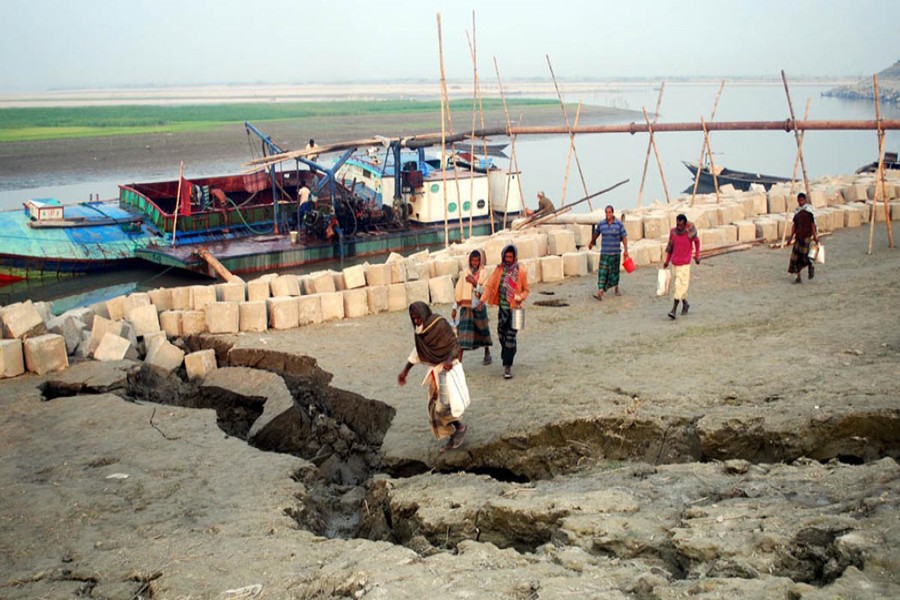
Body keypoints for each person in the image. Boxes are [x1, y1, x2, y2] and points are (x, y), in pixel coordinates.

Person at [397, 302, 469, 451]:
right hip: (436, 372)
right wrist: (405, 371)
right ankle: (453, 432)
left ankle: (460, 427)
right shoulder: (420, 332)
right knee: (433, 407)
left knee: (442, 407)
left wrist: (449, 359)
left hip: (448, 369)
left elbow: (456, 345)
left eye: (418, 317)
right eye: (413, 318)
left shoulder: (439, 324)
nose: (416, 321)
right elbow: (417, 352)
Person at [482, 244, 529, 379]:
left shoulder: (521, 271)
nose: (508, 259)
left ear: (515, 257)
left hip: (516, 310)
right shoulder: (499, 270)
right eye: (506, 256)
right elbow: (490, 285)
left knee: (510, 337)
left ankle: (507, 368)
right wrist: (482, 300)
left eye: (511, 256)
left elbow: (526, 290)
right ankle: (510, 352)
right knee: (501, 335)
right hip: (503, 309)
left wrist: (520, 297)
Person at [454, 249, 493, 365]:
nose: (474, 263)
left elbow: (486, 291)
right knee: (463, 333)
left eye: (477, 261)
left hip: (479, 306)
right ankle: (459, 361)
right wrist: (454, 307)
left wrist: (474, 283)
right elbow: (458, 290)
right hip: (466, 307)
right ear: (469, 261)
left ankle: (487, 353)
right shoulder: (465, 273)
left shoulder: (484, 274)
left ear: (480, 261)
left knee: (483, 330)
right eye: (472, 261)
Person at [663, 214, 701, 319]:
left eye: (680, 225)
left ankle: (674, 309)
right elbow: (670, 247)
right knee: (680, 286)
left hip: (684, 264)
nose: (678, 227)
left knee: (678, 286)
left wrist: (697, 256)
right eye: (677, 225)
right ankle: (685, 304)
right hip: (674, 263)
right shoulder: (673, 232)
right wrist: (667, 261)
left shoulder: (689, 233)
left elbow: (697, 242)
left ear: (685, 224)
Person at [587, 205, 629, 300]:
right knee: (602, 272)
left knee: (614, 273)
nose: (608, 214)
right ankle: (600, 290)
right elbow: (596, 234)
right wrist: (591, 242)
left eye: (609, 212)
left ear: (612, 213)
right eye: (606, 212)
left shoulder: (618, 224)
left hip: (615, 253)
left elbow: (624, 237)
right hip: (605, 253)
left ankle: (616, 287)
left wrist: (626, 250)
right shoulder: (602, 224)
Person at [786, 192, 819, 284]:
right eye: (799, 200)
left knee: (805, 256)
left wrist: (815, 235)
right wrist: (790, 237)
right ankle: (798, 277)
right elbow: (794, 225)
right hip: (798, 236)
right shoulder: (797, 211)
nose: (801, 202)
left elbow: (813, 224)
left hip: (807, 236)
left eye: (802, 200)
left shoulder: (809, 211)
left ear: (805, 200)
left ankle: (810, 265)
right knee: (795, 258)